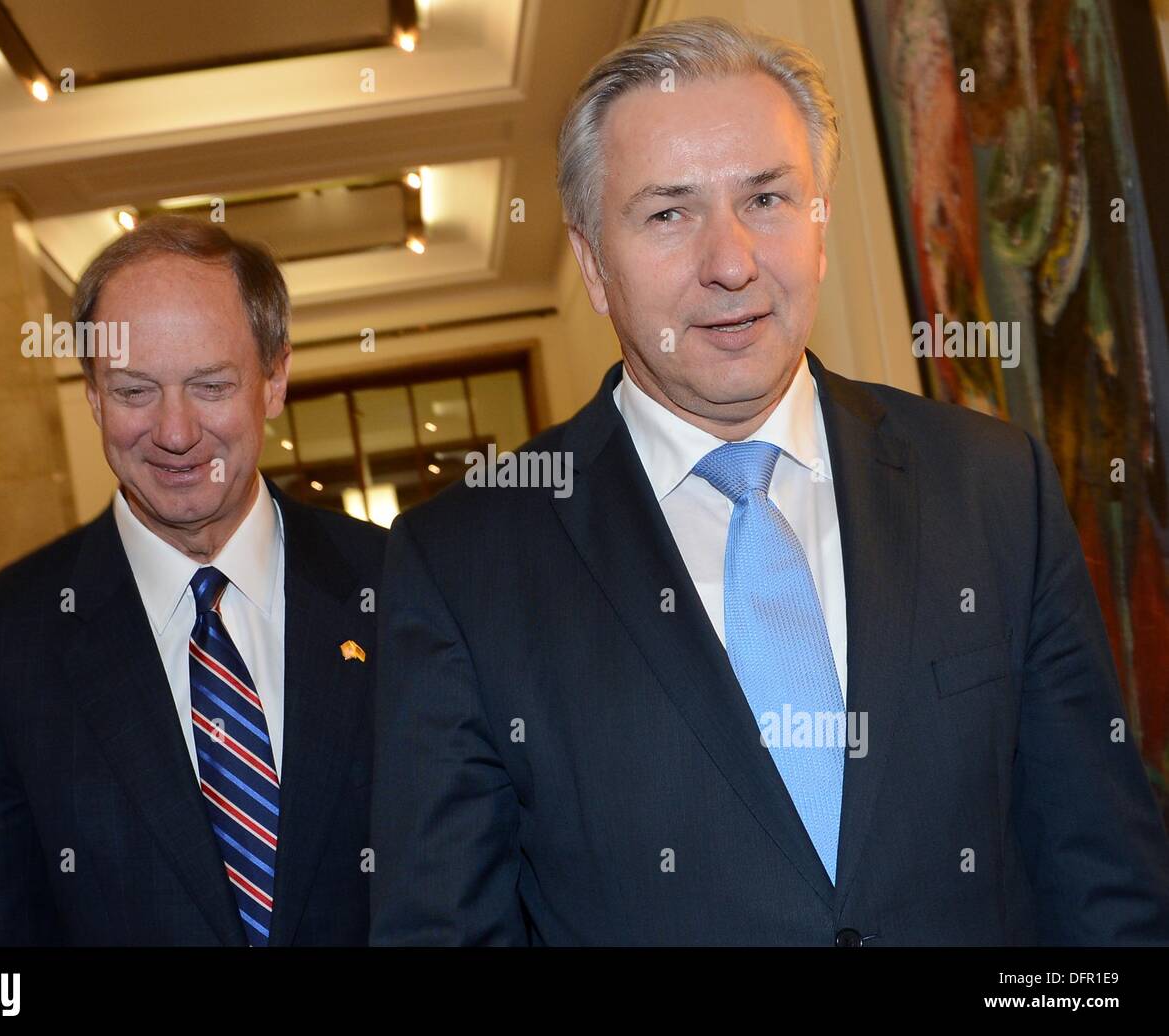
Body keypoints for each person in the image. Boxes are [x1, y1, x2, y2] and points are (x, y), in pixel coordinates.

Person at [369, 18, 1169, 945]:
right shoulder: (463, 567)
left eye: (768, 199)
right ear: (591, 263)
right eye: (669, 212)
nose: (731, 263)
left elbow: (1104, 883)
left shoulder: (993, 487)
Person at [0, 216, 385, 945]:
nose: (175, 433)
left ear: (274, 380)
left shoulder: (399, 591)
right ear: (91, 395)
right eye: (135, 391)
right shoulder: (1, 646)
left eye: (210, 385)